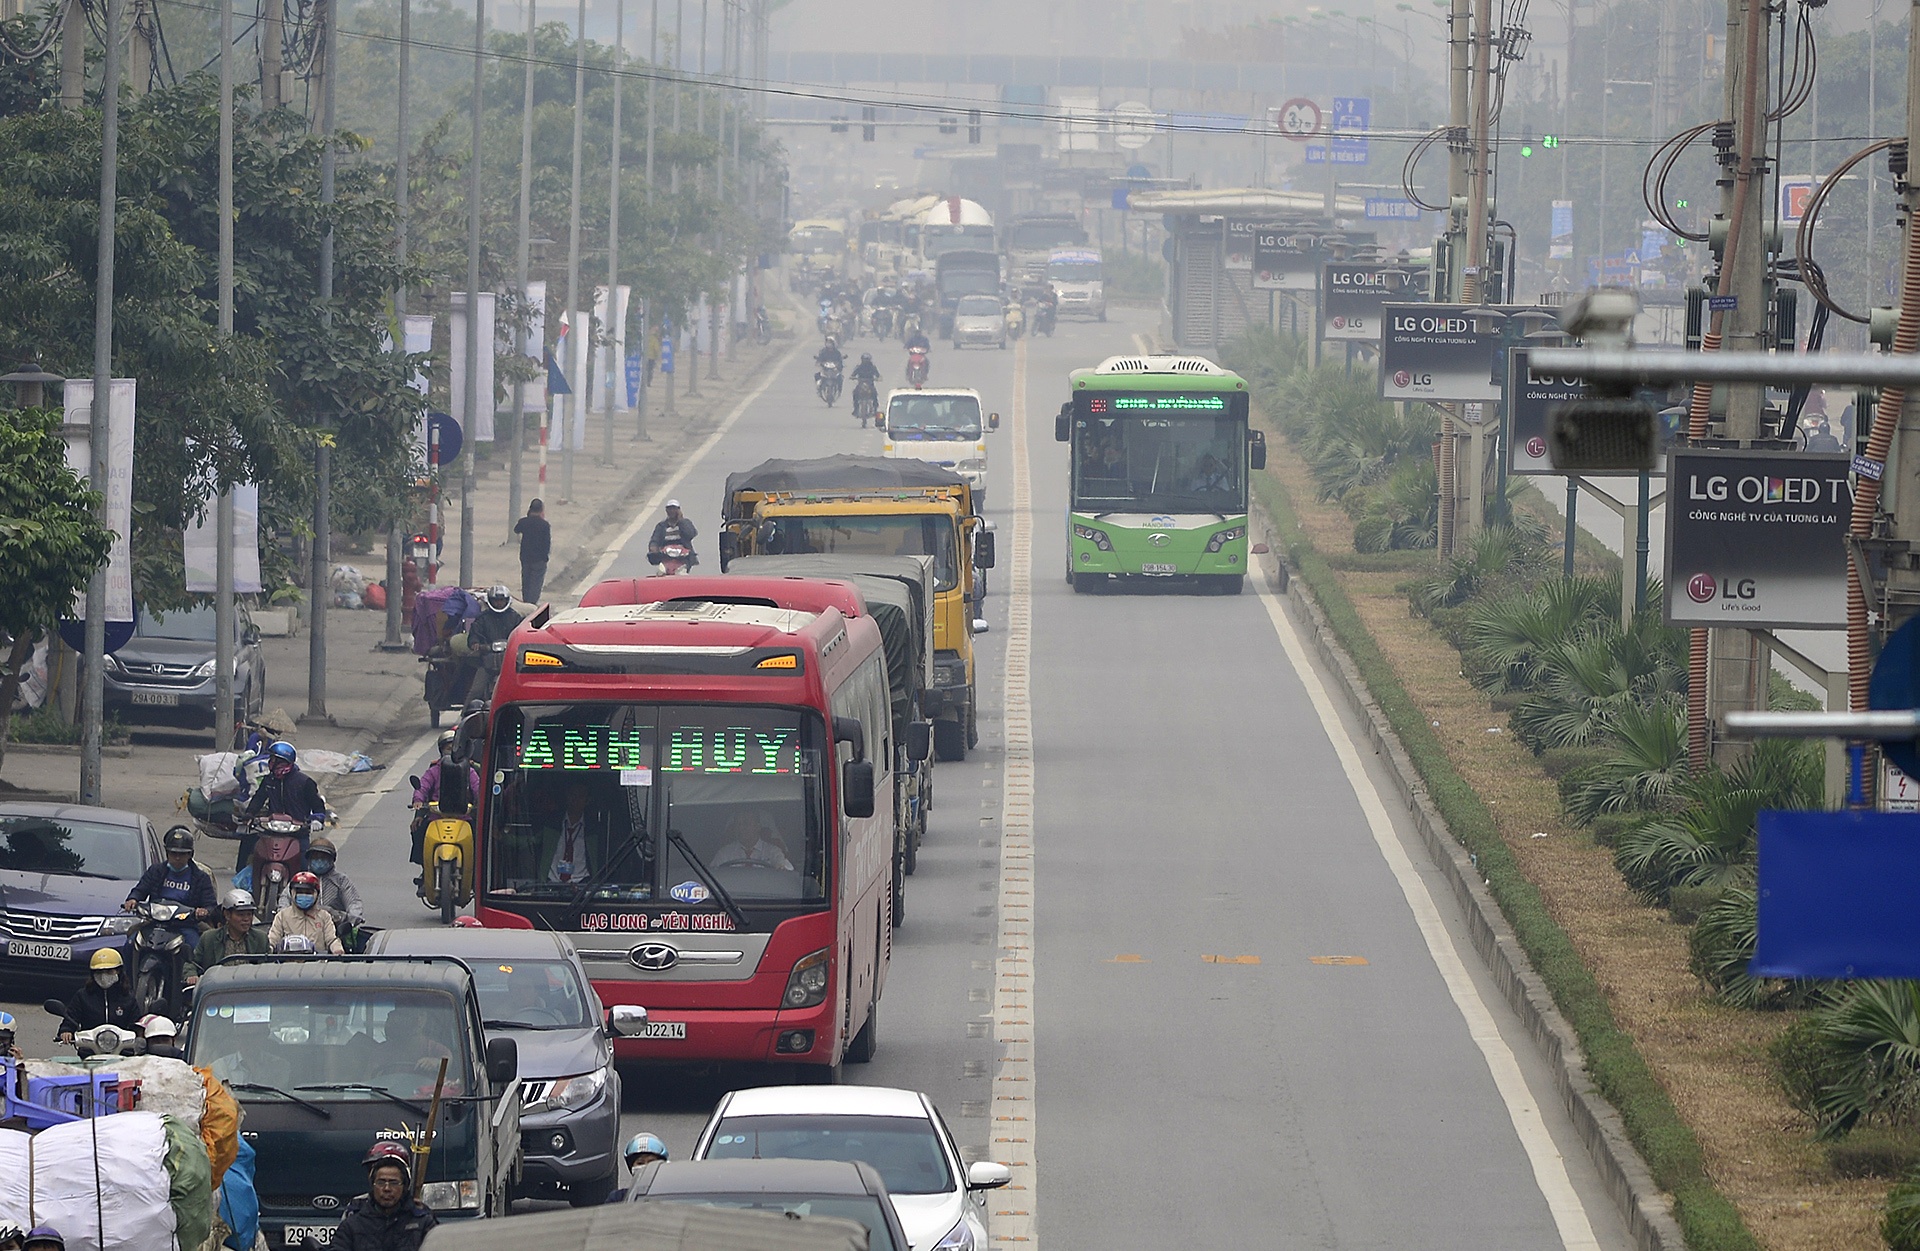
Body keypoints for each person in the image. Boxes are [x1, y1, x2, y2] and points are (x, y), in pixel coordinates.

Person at [335, 1144, 438, 1251]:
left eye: (394, 1182)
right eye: (381, 1182)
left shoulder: (423, 1221)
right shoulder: (352, 1224)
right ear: (372, 1185)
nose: (387, 1188)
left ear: (405, 1186)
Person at [123, 826, 217, 937]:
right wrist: (132, 899)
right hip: (155, 922)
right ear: (167, 853)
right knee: (131, 940)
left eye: (182, 854)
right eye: (173, 853)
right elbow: (140, 890)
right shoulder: (156, 871)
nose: (177, 858)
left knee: (196, 945)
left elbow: (211, 905)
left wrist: (203, 912)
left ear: (190, 855)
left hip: (187, 924)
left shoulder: (201, 877)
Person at [411, 731, 481, 871]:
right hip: (436, 817)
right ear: (441, 751)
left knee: (479, 840)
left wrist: (480, 803)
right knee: (418, 830)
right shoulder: (434, 771)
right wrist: (418, 801)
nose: (450, 752)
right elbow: (423, 787)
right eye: (447, 749)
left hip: (464, 817)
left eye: (453, 748)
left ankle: (473, 874)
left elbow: (478, 788)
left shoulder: (469, 770)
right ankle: (426, 871)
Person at [56, 949, 143, 1042]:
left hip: (123, 1052)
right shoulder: (82, 996)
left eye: (109, 971)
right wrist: (67, 1030)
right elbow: (71, 1017)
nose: (103, 975)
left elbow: (136, 1024)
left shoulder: (128, 998)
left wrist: (139, 1035)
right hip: (89, 1050)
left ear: (119, 971)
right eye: (99, 972)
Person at [188, 888, 269, 984]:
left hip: (250, 991)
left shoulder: (261, 938)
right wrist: (191, 975)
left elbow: (268, 967)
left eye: (249, 914)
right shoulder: (209, 938)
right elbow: (192, 963)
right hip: (217, 990)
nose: (246, 919)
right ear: (227, 915)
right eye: (241, 914)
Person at [268, 872, 345, 955]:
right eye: (300, 892)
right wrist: (268, 950)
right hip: (289, 964)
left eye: (308, 892)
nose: (304, 895)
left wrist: (338, 950)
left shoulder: (324, 916)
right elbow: (272, 940)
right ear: (292, 893)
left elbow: (331, 939)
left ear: (316, 894)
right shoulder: (282, 916)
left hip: (317, 964)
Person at [305, 837, 365, 937]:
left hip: (335, 929)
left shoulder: (341, 880)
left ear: (331, 860)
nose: (319, 860)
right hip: (303, 927)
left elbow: (354, 902)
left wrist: (352, 919)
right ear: (309, 859)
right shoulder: (302, 879)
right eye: (315, 857)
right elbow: (285, 898)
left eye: (323, 858)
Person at [537, 779, 593, 884]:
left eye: (580, 796)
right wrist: (502, 837)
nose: (575, 799)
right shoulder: (552, 825)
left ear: (587, 800)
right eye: (572, 794)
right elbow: (530, 840)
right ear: (567, 796)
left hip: (582, 886)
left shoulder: (593, 831)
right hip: (551, 886)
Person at [713, 812, 793, 871]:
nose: (741, 828)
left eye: (746, 823)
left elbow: (785, 869)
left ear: (758, 827)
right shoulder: (724, 853)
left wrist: (781, 867)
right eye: (738, 824)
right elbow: (712, 874)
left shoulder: (772, 851)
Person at [605, 1133, 670, 1203]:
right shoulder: (617, 1198)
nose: (646, 1166)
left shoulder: (670, 1196)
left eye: (651, 1162)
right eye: (640, 1163)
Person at [513, 500, 552, 603]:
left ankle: (526, 601)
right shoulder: (544, 525)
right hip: (539, 558)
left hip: (525, 557)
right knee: (536, 583)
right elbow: (547, 542)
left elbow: (516, 529)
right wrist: (545, 557)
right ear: (541, 510)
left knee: (526, 580)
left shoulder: (524, 522)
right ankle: (532, 604)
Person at [648, 500, 699, 568]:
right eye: (669, 509)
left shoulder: (686, 523)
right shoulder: (661, 526)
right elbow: (655, 539)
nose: (672, 511)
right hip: (666, 555)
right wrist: (653, 547)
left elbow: (691, 534)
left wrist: (681, 521)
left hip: (683, 556)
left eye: (674, 509)